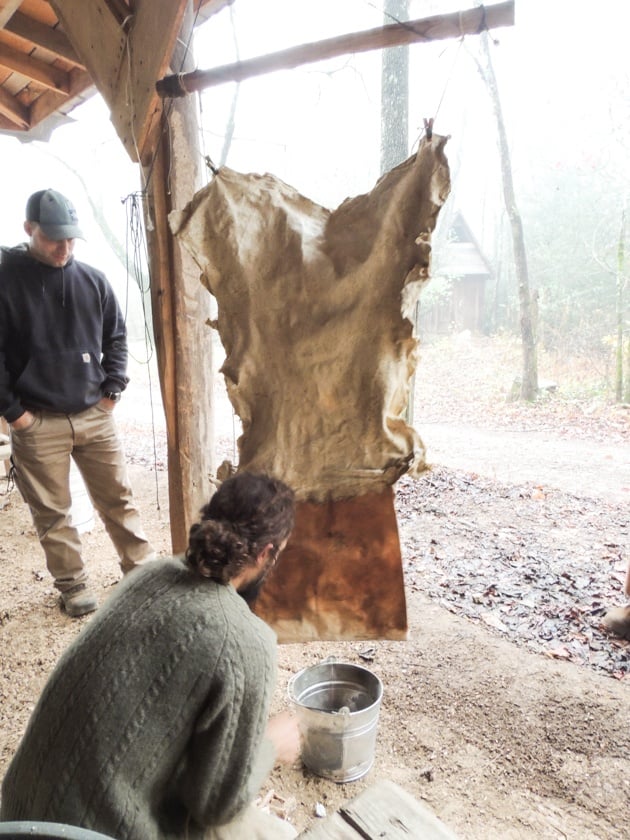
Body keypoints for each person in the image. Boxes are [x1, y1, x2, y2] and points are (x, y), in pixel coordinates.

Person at [0, 471, 301, 840]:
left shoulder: (154, 574)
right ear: (266, 553)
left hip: (18, 814)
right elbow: (216, 806)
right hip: (91, 833)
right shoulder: (246, 642)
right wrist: (270, 743)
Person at [0, 188, 155, 617]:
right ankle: (73, 586)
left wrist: (113, 391)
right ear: (29, 229)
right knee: (53, 514)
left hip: (93, 415)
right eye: (53, 238)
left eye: (71, 238)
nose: (64, 247)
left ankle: (140, 572)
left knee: (118, 499)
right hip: (38, 421)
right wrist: (16, 414)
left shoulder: (93, 280)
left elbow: (117, 338)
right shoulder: (6, 281)